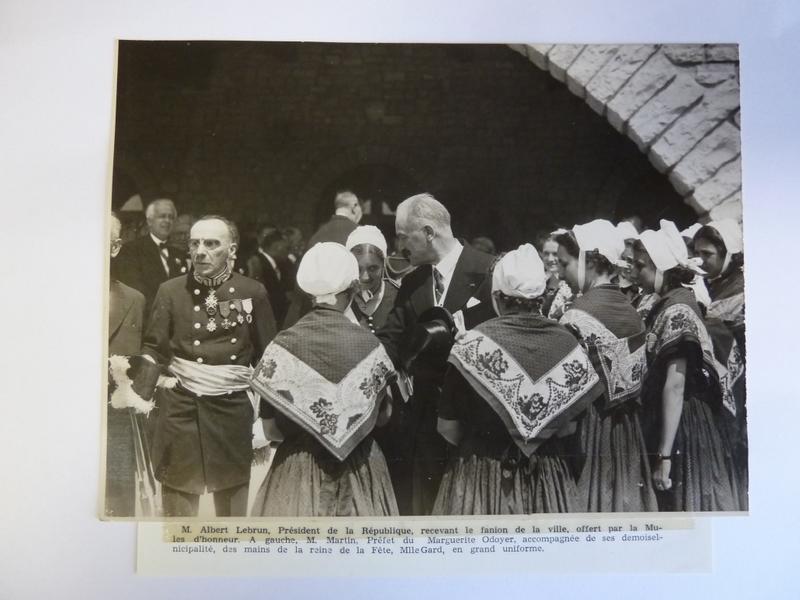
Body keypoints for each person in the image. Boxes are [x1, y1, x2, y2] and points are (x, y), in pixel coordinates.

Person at [433, 244, 603, 514]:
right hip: (548, 480)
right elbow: (569, 429)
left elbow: (446, 428)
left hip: (481, 479)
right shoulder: (568, 344)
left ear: (498, 297)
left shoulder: (472, 345)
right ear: (541, 296)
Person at [135, 215, 277, 517]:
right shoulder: (170, 291)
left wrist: (267, 417)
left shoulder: (253, 292)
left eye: (212, 244)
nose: (201, 251)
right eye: (195, 243)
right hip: (181, 408)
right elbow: (153, 348)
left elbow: (268, 357)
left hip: (231, 411)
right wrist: (138, 397)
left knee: (231, 510)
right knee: (178, 506)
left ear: (232, 250)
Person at [250, 242, 398, 516]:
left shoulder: (282, 345)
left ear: (308, 294)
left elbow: (270, 429)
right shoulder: (369, 345)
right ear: (352, 289)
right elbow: (383, 417)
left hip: (298, 472)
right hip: (360, 469)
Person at [378, 193, 495, 515]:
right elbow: (391, 340)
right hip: (426, 423)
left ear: (428, 232)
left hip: (475, 422)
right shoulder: (413, 282)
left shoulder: (489, 271)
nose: (400, 247)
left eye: (404, 237)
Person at [632, 220, 740, 511]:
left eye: (640, 266)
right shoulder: (668, 302)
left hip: (683, 424)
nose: (634, 272)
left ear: (662, 268)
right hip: (673, 418)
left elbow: (675, 384)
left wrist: (664, 456)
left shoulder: (677, 309)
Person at [555, 220, 657, 512]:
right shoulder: (632, 310)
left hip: (589, 433)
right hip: (627, 431)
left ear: (589, 261)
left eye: (565, 264)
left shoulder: (576, 317)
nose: (561, 273)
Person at [105, 213, 146, 517]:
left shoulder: (134, 300)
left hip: (116, 426)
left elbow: (143, 361)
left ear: (115, 247)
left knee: (118, 510)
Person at [116, 198, 189, 318]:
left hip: (175, 322)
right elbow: (135, 289)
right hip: (147, 320)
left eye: (171, 217)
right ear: (150, 221)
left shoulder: (178, 254)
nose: (167, 221)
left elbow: (183, 289)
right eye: (162, 216)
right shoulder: (131, 250)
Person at [693, 219, 745, 352]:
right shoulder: (713, 284)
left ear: (727, 253)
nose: (699, 260)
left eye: (707, 254)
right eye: (697, 253)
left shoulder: (742, 287)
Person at [344, 225, 400, 333]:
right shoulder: (340, 298)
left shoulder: (399, 298)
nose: (365, 277)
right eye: (358, 269)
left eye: (372, 268)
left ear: (384, 264)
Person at [246, 225, 291, 329]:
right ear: (277, 246)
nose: (288, 253)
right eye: (286, 248)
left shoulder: (279, 266)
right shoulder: (258, 264)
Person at [535, 231, 572, 319]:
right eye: (546, 254)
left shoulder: (573, 288)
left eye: (555, 254)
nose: (550, 259)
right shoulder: (539, 282)